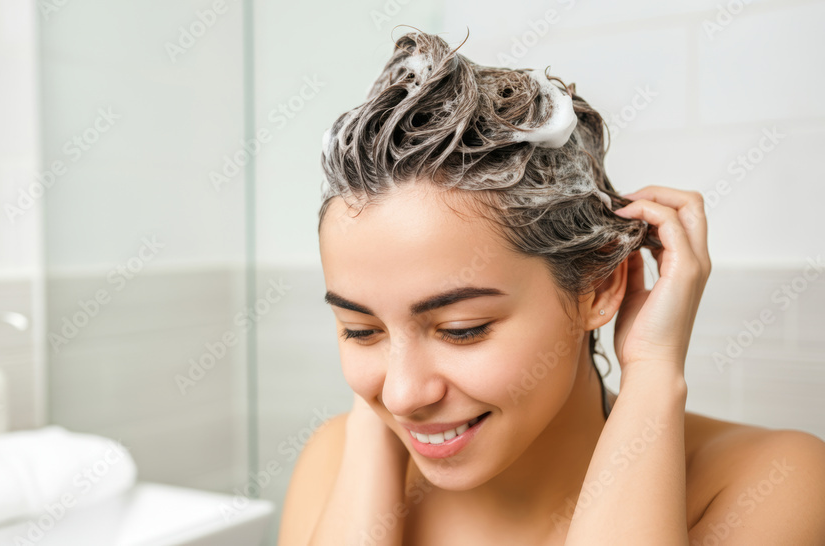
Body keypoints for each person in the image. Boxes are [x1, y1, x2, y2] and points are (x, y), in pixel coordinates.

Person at [278, 29, 825, 545]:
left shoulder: (774, 480)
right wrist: (377, 419)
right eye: (359, 329)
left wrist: (653, 372)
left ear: (599, 288)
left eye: (461, 330)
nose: (403, 393)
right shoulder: (335, 460)